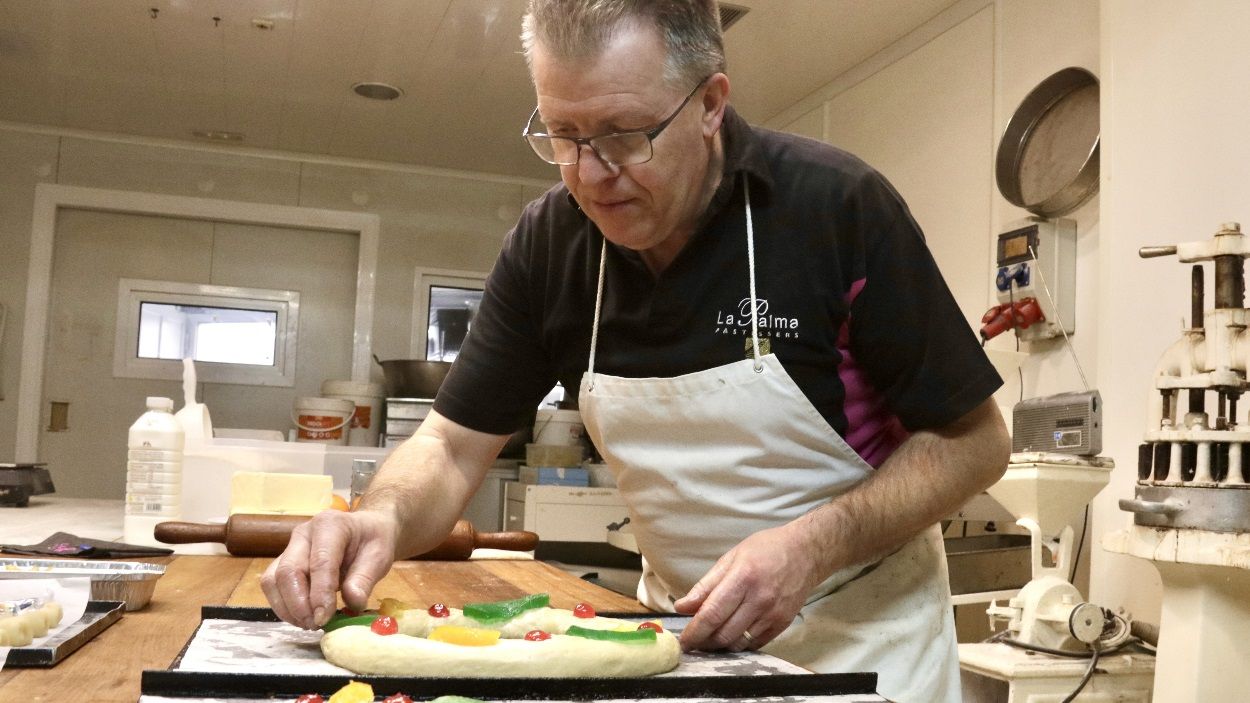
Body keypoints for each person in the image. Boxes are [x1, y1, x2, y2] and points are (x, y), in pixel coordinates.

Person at [262, 2, 1009, 700]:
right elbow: (454, 446)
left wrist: (812, 546)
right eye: (562, 135)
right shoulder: (549, 245)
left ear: (711, 103)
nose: (590, 174)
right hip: (682, 643)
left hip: (865, 641)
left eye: (624, 134)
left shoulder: (834, 209)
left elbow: (975, 444)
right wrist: (381, 518)